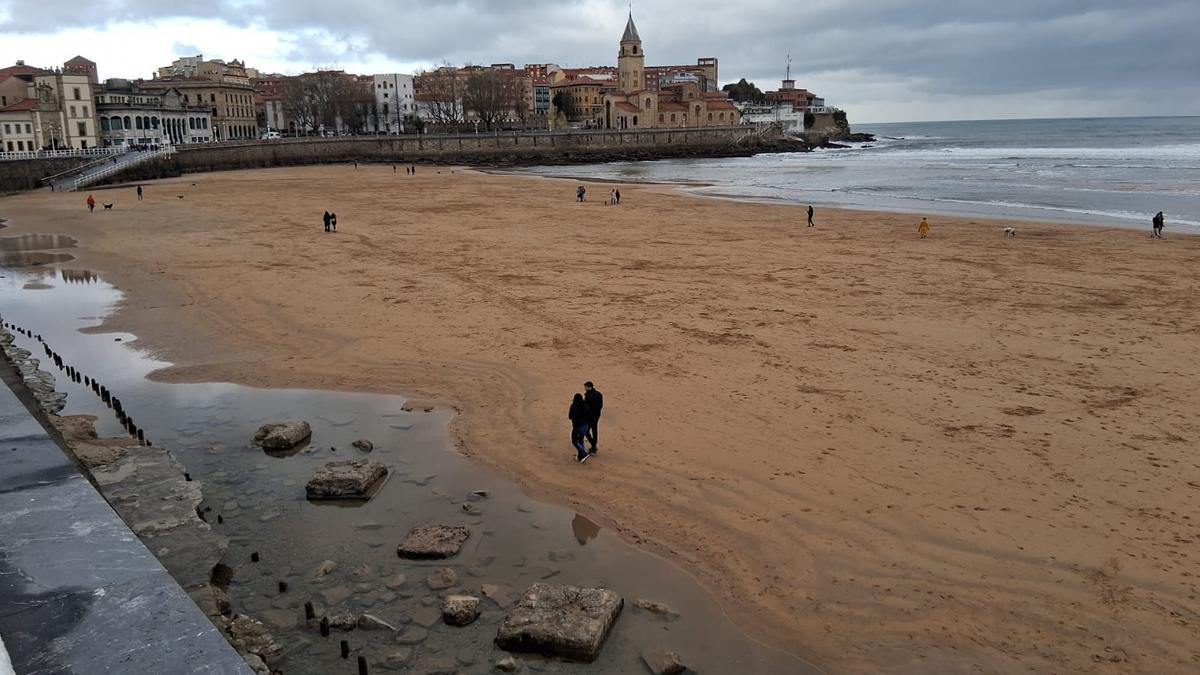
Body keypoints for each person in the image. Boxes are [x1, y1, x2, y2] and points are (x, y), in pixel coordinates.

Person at [569, 393, 591, 463]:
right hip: (585, 425)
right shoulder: (585, 405)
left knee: (574, 441)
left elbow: (570, 416)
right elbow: (589, 414)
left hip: (577, 426)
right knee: (581, 439)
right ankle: (580, 456)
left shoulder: (573, 406)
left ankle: (583, 453)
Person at [583, 381, 603, 452]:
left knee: (585, 430)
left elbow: (586, 407)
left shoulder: (588, 396)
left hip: (590, 417)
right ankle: (594, 446)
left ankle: (593, 445)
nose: (585, 389)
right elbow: (600, 405)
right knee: (594, 430)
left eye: (586, 387)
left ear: (590, 387)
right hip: (597, 415)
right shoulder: (599, 394)